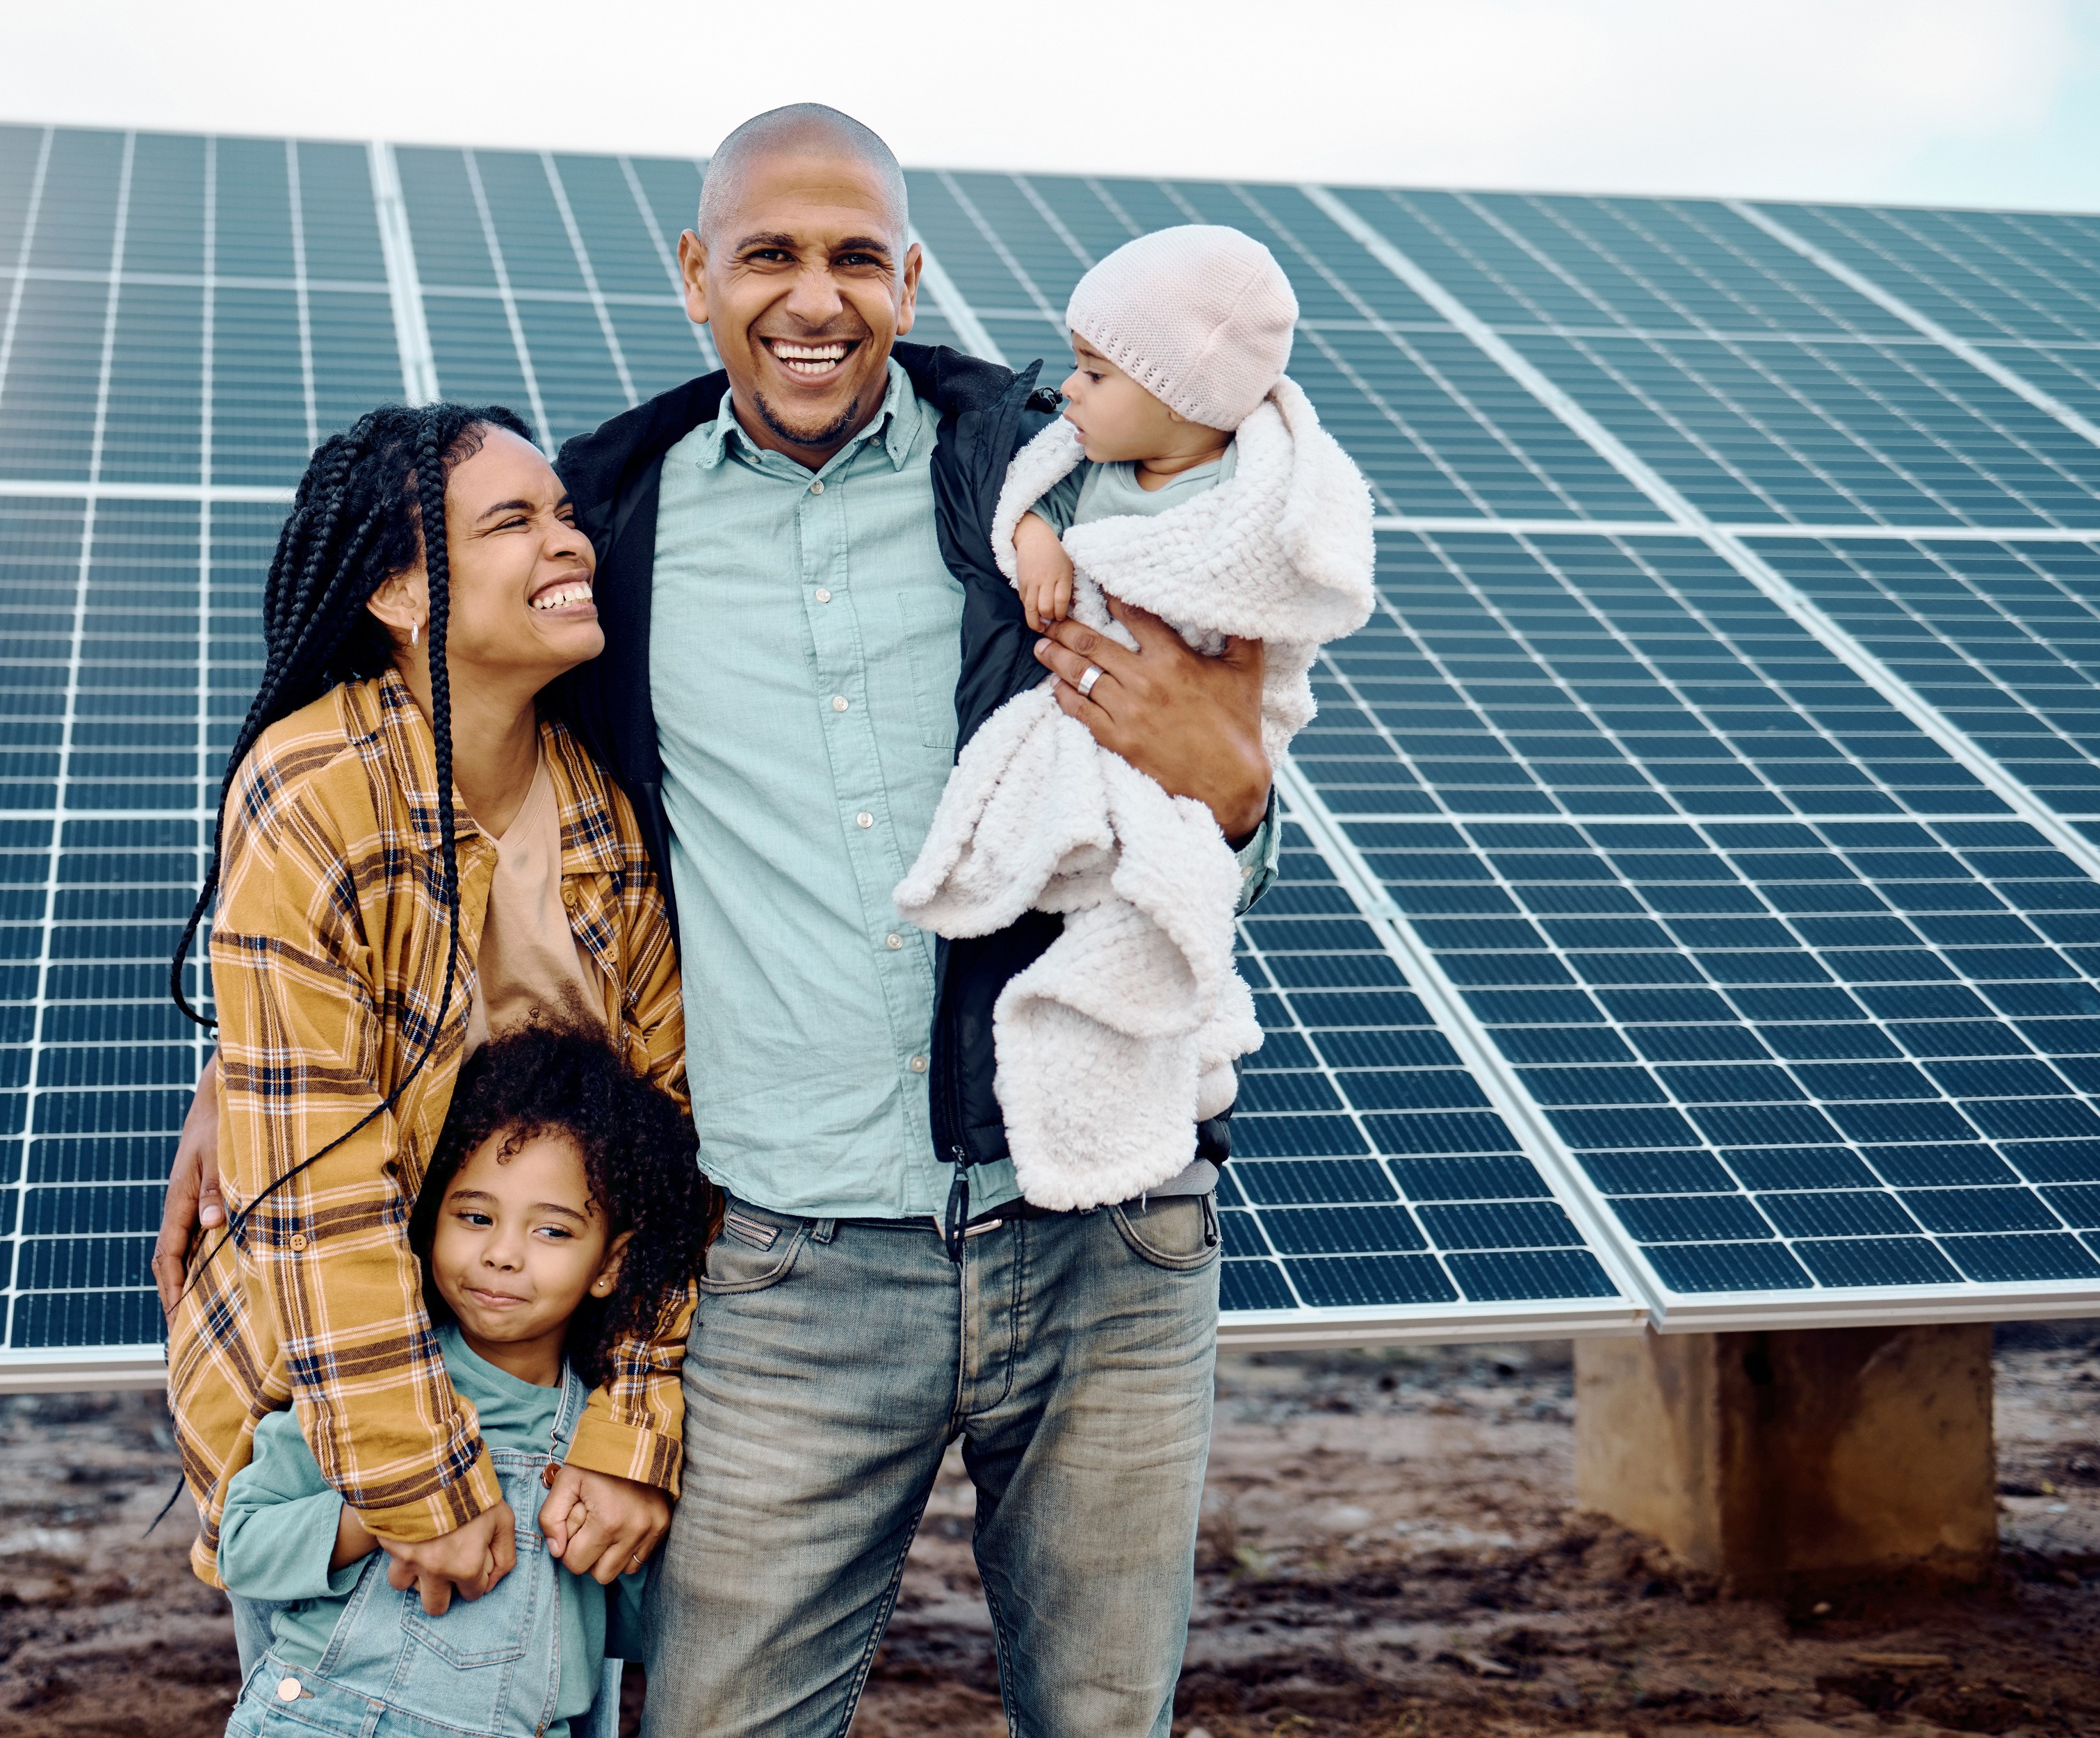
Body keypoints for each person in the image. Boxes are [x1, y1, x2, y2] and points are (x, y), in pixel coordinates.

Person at [164, 103, 1280, 1735]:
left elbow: (1207, 787)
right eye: (768, 254)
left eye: (854, 258)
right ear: (698, 274)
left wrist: (1242, 804)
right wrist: (252, 1065)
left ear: (910, 275)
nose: (812, 298)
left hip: (1102, 1236)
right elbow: (433, 832)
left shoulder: (1056, 484)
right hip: (790, 1277)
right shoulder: (611, 523)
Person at [154, 404, 690, 1693]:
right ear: (400, 589)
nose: (569, 543)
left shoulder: (606, 817)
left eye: (565, 515)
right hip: (330, 1422)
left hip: (543, 1413)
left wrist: (630, 1428)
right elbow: (318, 1197)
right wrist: (413, 1485)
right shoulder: (318, 790)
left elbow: (672, 1153)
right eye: (514, 522)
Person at [895, 225, 1376, 1212]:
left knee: (1167, 901)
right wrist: (1034, 542)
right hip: (1080, 715)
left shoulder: (1248, 497)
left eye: (1094, 373)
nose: (1067, 393)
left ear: (1181, 400)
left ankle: (1168, 1055)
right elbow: (1025, 504)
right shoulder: (1081, 465)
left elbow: (1272, 613)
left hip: (1179, 734)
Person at [218, 1021, 708, 1738]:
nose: (502, 1254)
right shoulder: (369, 1391)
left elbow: (631, 1632)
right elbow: (243, 1545)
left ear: (609, 1264)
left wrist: (619, 1558)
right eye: (474, 1216)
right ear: (429, 1218)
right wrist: (379, 1513)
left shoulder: (601, 1450)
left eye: (552, 1231)